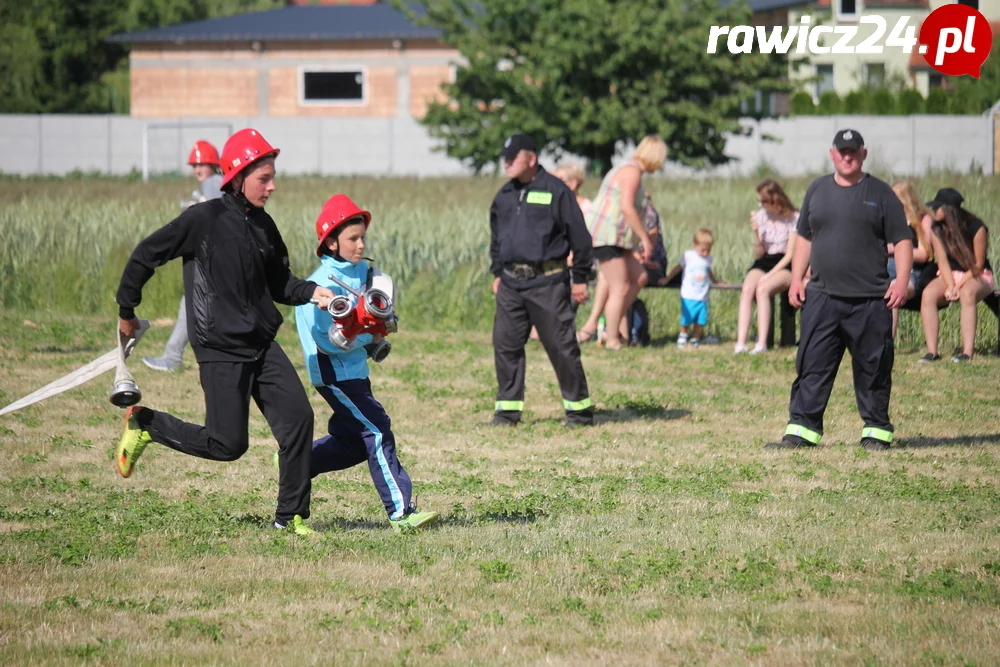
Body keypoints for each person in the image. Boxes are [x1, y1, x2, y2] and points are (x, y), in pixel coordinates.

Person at [114, 128, 336, 536]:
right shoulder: (204, 219)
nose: (272, 186)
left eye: (272, 177)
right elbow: (147, 254)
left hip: (261, 342)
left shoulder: (265, 226)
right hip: (218, 346)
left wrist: (313, 292)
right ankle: (145, 423)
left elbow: (280, 283)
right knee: (227, 445)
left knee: (299, 419)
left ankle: (290, 519)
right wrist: (127, 309)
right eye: (263, 178)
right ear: (237, 176)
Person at [294, 194, 439, 531]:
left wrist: (384, 322)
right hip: (333, 374)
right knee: (376, 430)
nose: (360, 245)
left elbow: (380, 310)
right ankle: (401, 513)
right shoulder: (320, 286)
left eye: (363, 238)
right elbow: (326, 341)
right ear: (331, 242)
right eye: (352, 239)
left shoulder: (367, 273)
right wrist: (368, 337)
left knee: (354, 441)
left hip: (357, 371)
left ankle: (298, 461)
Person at [767, 129, 913, 452]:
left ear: (864, 153)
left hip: (870, 299)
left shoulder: (882, 193)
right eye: (841, 151)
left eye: (853, 151)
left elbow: (903, 240)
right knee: (812, 364)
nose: (847, 157)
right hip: (822, 296)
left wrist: (901, 280)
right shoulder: (817, 190)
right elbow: (803, 237)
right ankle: (801, 430)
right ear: (832, 153)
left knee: (873, 367)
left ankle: (876, 430)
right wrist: (796, 278)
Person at [489, 133, 595, 427]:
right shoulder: (505, 195)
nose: (506, 163)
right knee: (505, 344)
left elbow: (580, 237)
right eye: (505, 158)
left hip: (548, 283)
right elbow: (497, 237)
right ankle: (507, 412)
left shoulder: (556, 191)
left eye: (513, 157)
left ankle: (579, 412)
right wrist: (497, 272)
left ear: (531, 158)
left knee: (561, 347)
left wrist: (581, 277)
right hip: (511, 284)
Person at [143, 140, 225, 373]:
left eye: (203, 164)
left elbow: (216, 212)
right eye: (195, 165)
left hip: (212, 258)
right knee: (197, 306)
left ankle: (173, 357)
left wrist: (192, 208)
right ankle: (178, 356)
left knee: (191, 304)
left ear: (213, 165)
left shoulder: (212, 182)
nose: (198, 170)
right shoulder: (215, 183)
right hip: (215, 258)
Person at [578, 136, 665, 350]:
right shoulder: (631, 172)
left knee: (640, 277)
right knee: (619, 287)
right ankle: (613, 338)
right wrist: (645, 238)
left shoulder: (631, 171)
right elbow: (627, 208)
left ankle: (610, 325)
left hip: (619, 239)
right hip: (606, 236)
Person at [918, 188, 994, 363]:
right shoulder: (937, 229)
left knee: (967, 294)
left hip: (977, 275)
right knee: (928, 295)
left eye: (937, 207)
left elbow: (978, 265)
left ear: (947, 209)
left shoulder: (976, 227)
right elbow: (942, 262)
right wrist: (951, 284)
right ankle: (932, 352)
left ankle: (967, 353)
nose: (934, 210)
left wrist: (959, 286)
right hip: (950, 275)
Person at [734, 180, 800, 354]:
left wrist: (770, 275)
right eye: (759, 201)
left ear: (775, 199)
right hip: (765, 260)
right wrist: (756, 233)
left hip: (785, 264)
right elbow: (759, 253)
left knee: (763, 288)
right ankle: (740, 343)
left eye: (763, 201)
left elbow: (790, 255)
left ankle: (762, 343)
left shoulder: (793, 218)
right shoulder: (762, 216)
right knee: (748, 288)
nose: (760, 205)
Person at [888, 181, 935, 339]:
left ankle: (888, 341)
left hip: (913, 271)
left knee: (892, 291)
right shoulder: (893, 220)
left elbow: (925, 254)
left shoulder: (923, 221)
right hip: (888, 268)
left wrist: (897, 249)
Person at [663, 229, 720, 348]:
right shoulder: (688, 256)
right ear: (694, 245)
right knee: (687, 317)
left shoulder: (708, 259)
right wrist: (667, 278)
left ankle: (696, 338)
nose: (705, 253)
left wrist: (715, 281)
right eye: (702, 250)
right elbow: (678, 268)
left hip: (703, 295)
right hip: (689, 294)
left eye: (708, 250)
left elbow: (708, 271)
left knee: (700, 320)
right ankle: (683, 336)